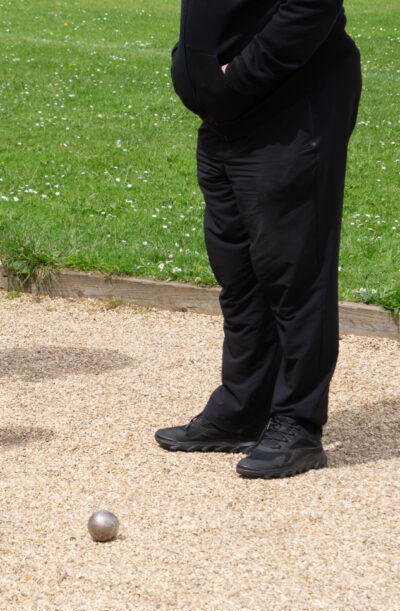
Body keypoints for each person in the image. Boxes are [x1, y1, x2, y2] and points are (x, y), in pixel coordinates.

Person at [155, 0, 362, 478]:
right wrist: (191, 66)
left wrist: (238, 75)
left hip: (290, 108)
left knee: (294, 273)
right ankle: (242, 410)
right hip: (226, 116)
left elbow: (312, 5)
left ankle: (298, 424)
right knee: (239, 273)